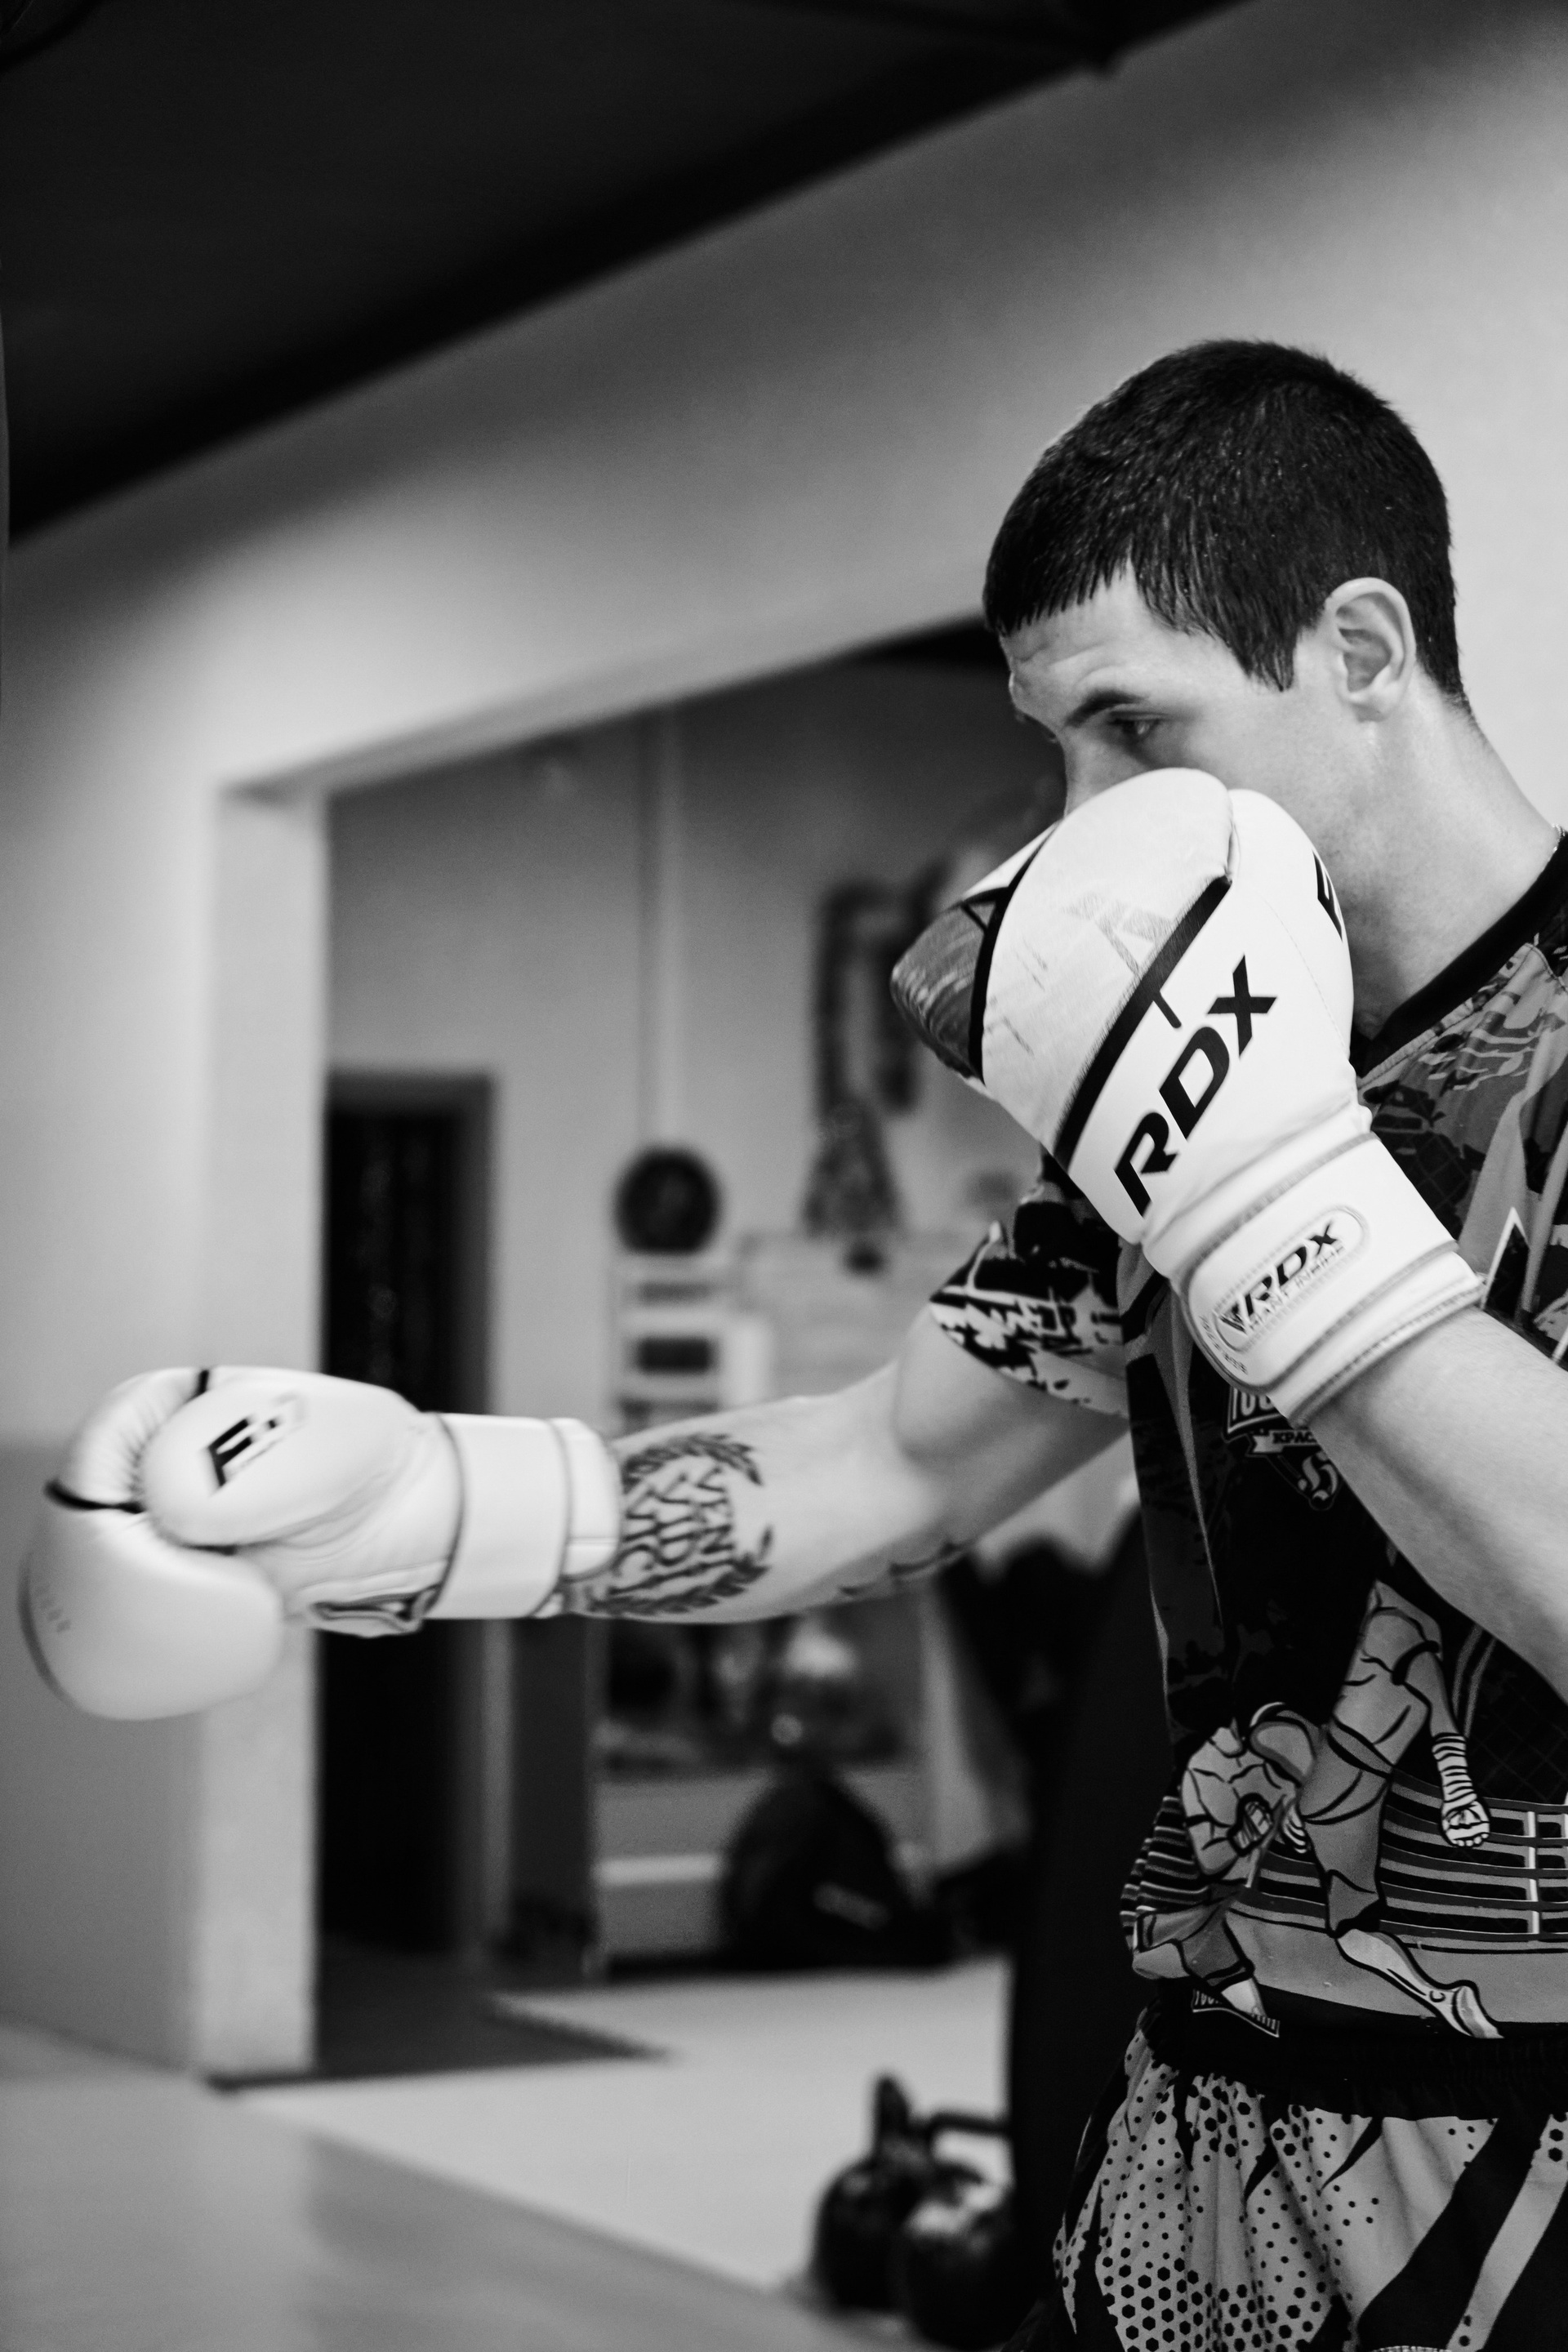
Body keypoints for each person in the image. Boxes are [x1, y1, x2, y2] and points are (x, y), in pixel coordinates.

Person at [27, 341, 1568, 2346]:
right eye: (1056, 748)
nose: (1080, 819)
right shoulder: (1216, 1064)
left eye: (1135, 727)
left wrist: (1272, 1205)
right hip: (1203, 2130)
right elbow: (892, 1462)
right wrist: (442, 1502)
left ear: (1360, 651)